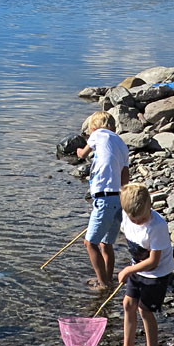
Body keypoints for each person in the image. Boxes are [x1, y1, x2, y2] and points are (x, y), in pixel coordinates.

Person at [104, 183, 174, 346]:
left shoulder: (156, 226)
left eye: (141, 218)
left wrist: (128, 270)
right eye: (133, 219)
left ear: (150, 207)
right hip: (138, 268)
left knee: (145, 310)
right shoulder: (127, 216)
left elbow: (153, 262)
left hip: (156, 274)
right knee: (128, 304)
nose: (137, 222)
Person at [75, 110, 130, 289]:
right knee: (107, 244)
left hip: (104, 198)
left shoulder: (98, 134)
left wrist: (78, 151)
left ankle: (103, 284)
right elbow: (125, 178)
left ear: (94, 127)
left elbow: (83, 155)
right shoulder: (121, 143)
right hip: (117, 199)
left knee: (90, 243)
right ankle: (108, 279)